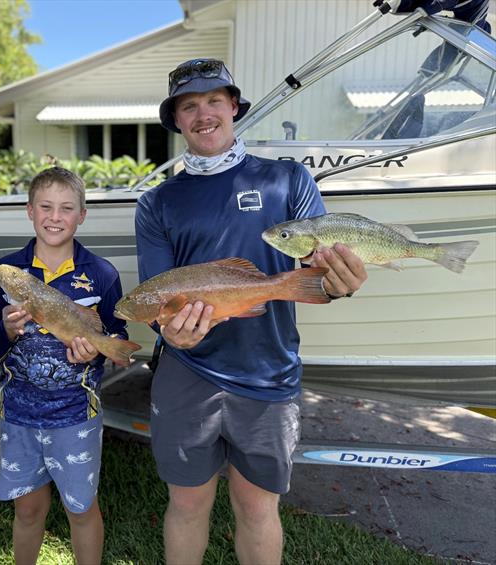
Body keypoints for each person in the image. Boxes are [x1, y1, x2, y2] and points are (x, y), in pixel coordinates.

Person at [136, 59, 368, 564]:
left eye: (214, 101)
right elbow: (158, 299)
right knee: (187, 503)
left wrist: (339, 283)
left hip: (268, 369)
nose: (203, 115)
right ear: (175, 119)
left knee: (258, 507)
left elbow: (319, 274)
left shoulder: (288, 179)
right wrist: (171, 333)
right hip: (187, 372)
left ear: (234, 106)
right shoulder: (157, 202)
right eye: (189, 105)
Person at [0, 167, 130, 565]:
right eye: (45, 207)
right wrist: (7, 331)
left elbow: (115, 336)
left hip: (76, 416)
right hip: (19, 417)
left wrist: (96, 351)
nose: (54, 217)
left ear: (82, 215)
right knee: (28, 510)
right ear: (30, 211)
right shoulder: (6, 273)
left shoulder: (101, 274)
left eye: (66, 208)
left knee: (81, 510)